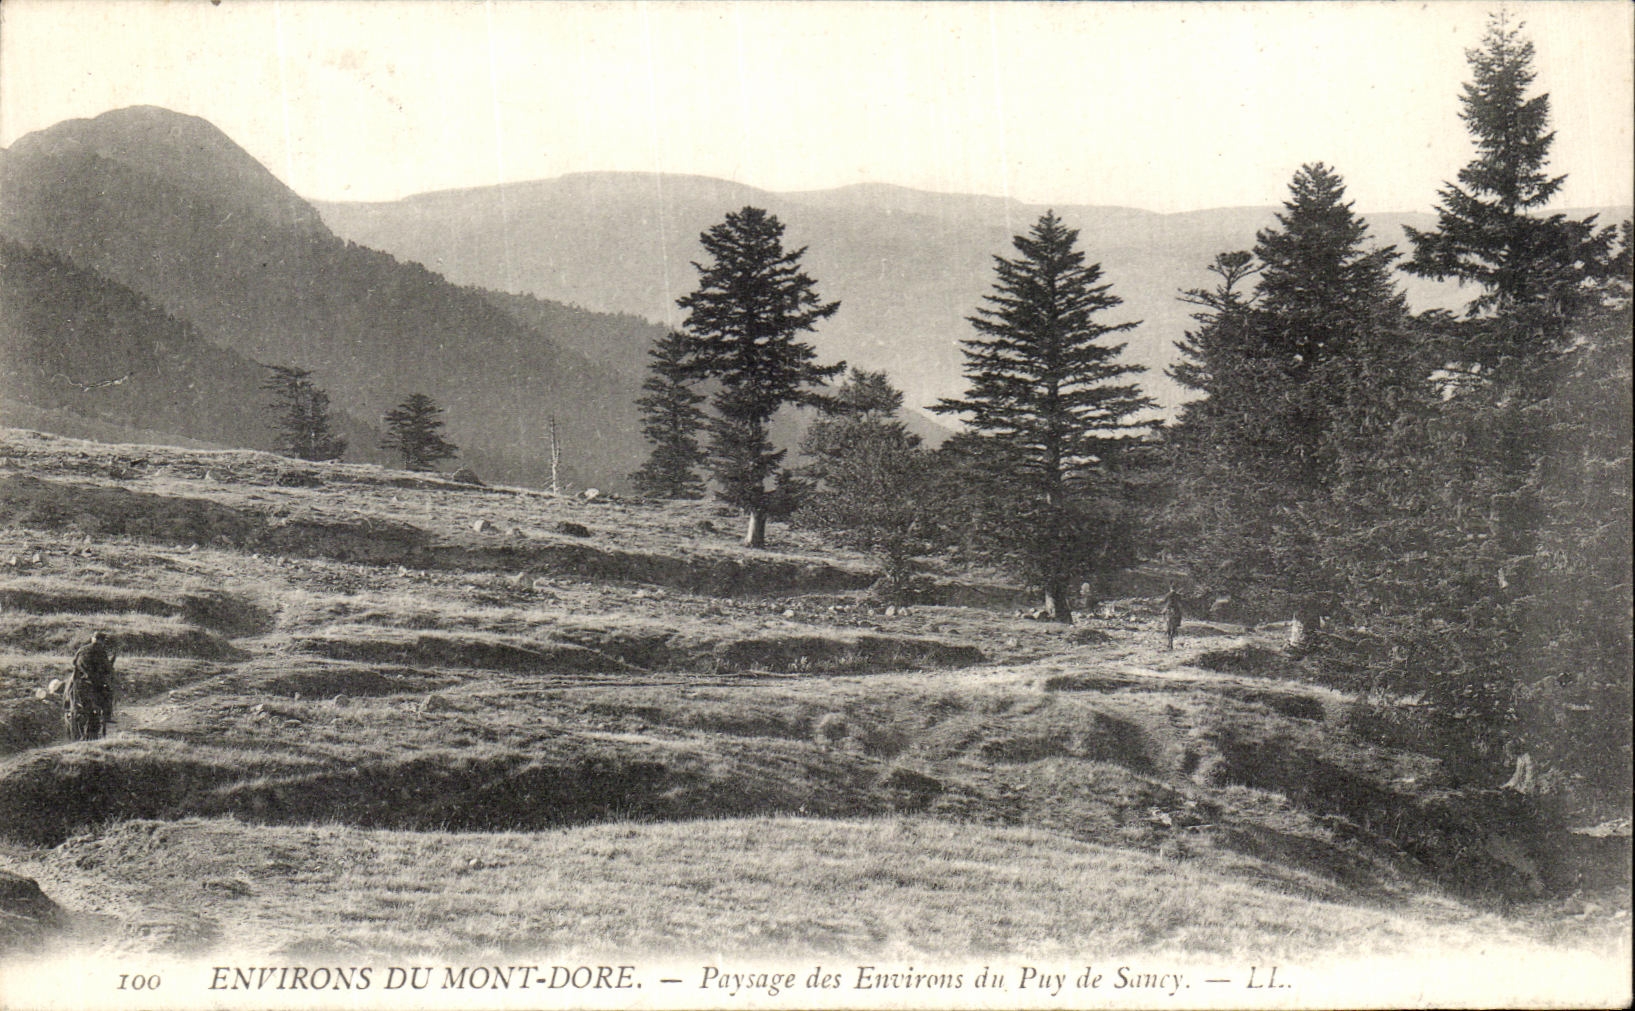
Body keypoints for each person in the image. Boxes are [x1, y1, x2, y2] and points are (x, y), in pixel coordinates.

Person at [65, 630, 118, 740]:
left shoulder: (82, 649)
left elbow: (74, 662)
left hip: (79, 681)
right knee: (108, 692)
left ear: (93, 639)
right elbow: (107, 668)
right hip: (94, 684)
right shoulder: (101, 651)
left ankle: (66, 704)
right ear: (102, 641)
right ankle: (107, 715)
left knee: (69, 687)